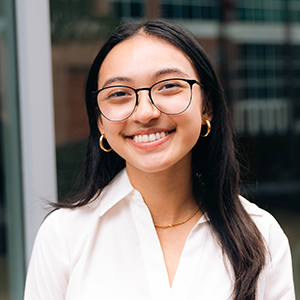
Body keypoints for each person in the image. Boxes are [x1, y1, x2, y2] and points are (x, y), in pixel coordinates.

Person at [24, 19, 295, 300]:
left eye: (168, 86)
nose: (145, 113)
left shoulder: (262, 236)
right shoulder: (64, 235)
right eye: (119, 94)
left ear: (207, 106)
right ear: (100, 122)